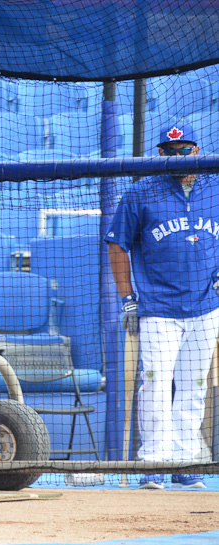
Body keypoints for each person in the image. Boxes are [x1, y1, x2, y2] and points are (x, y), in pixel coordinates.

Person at [105, 122, 218, 490]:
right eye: (170, 151)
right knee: (154, 383)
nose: (178, 156)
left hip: (205, 305)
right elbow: (117, 244)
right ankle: (153, 462)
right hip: (157, 307)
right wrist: (127, 298)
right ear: (160, 155)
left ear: (197, 151)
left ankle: (185, 463)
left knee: (193, 386)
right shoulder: (141, 193)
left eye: (184, 149)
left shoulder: (216, 189)